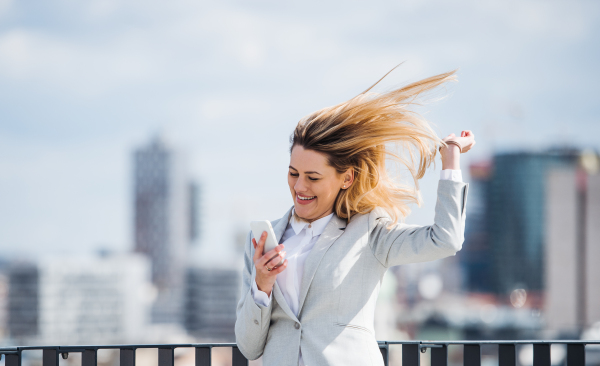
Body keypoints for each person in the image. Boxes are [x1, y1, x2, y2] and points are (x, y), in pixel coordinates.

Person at [235, 67, 475, 366]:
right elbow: (248, 347)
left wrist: (450, 160)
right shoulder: (262, 240)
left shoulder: (368, 231)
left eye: (313, 177)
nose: (299, 186)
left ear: (346, 179)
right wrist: (262, 285)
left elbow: (445, 240)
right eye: (293, 173)